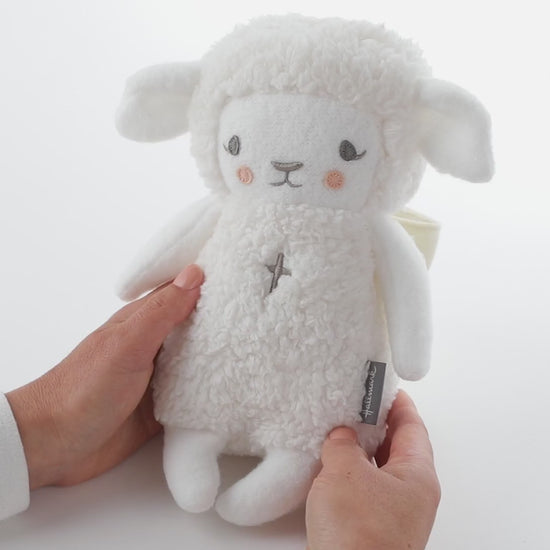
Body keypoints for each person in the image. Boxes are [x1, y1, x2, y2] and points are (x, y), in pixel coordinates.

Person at [0, 264, 440, 548]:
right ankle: (195, 434)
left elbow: (406, 278)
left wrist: (39, 436)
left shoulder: (369, 231)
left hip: (309, 413)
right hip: (209, 389)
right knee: (195, 404)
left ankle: (290, 457)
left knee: (299, 441)